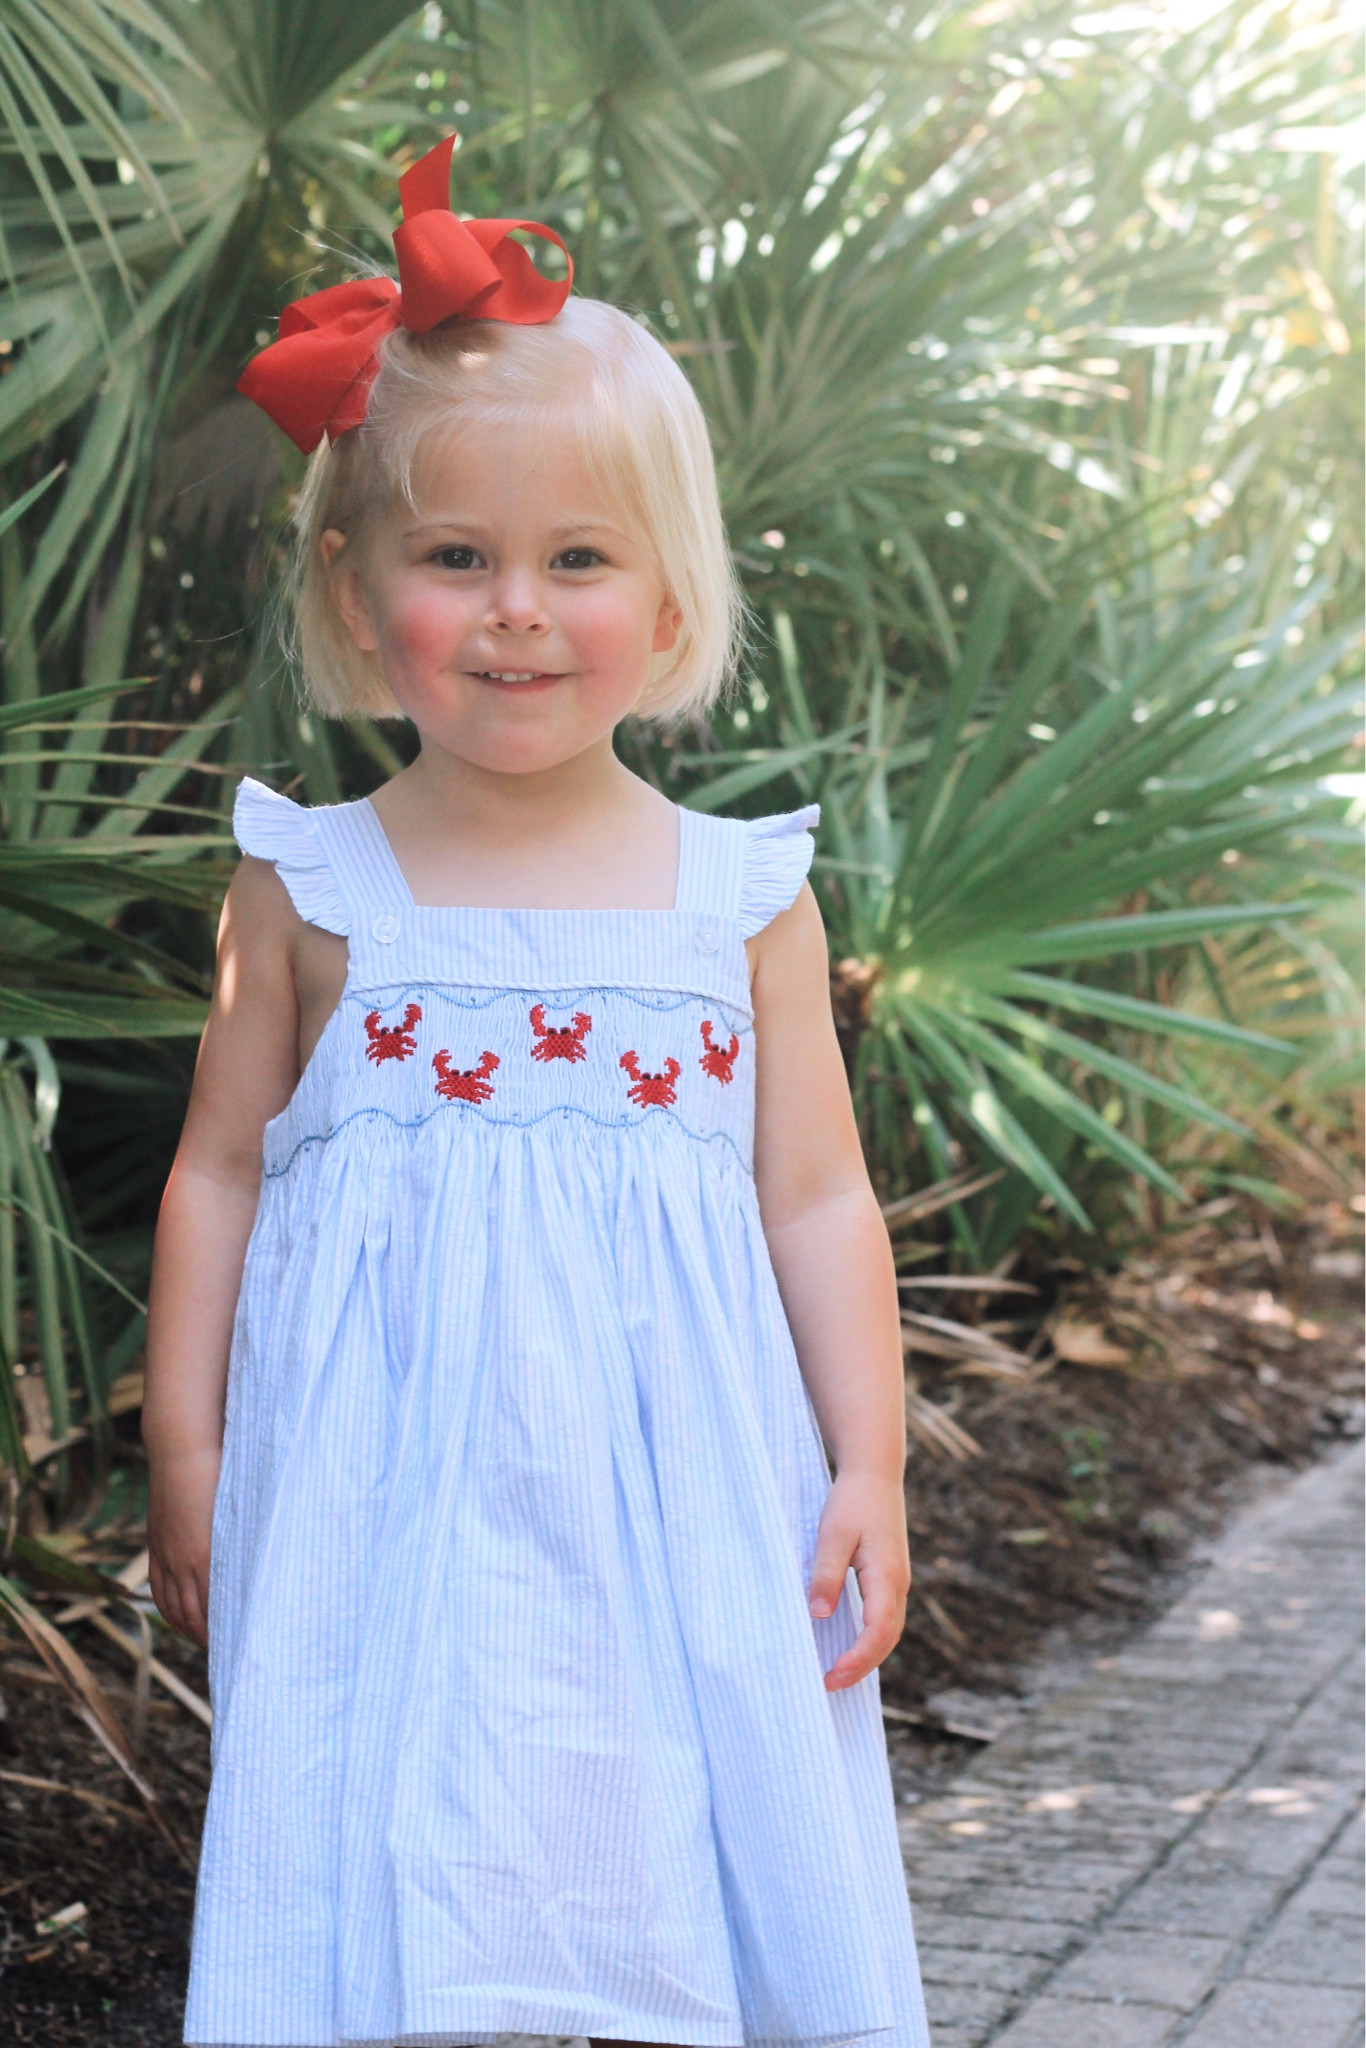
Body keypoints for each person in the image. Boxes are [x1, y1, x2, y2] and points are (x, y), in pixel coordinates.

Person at [143, 133, 931, 2048]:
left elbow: (813, 1198)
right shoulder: (312, 882)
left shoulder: (736, 896)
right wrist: (187, 1451)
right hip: (376, 1501)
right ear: (355, 592)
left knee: (671, 1850)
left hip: (681, 1496)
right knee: (383, 1853)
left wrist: (870, 1460)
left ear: (666, 604)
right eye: (457, 557)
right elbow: (221, 1177)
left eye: (578, 560)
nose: (516, 609)